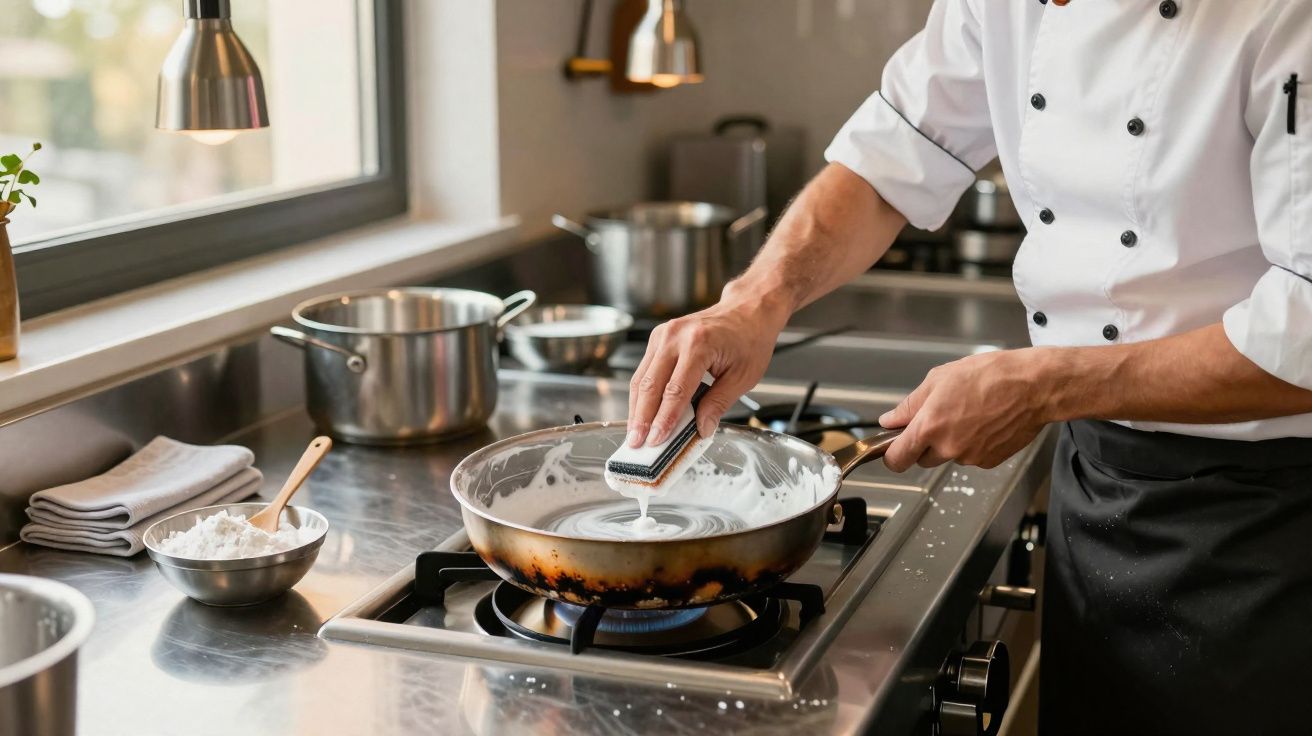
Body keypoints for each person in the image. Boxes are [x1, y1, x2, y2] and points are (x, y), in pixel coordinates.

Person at [622, 1, 1312, 733]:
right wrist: (755, 301)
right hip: (1100, 484)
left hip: (1267, 517)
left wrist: (1045, 385)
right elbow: (891, 155)